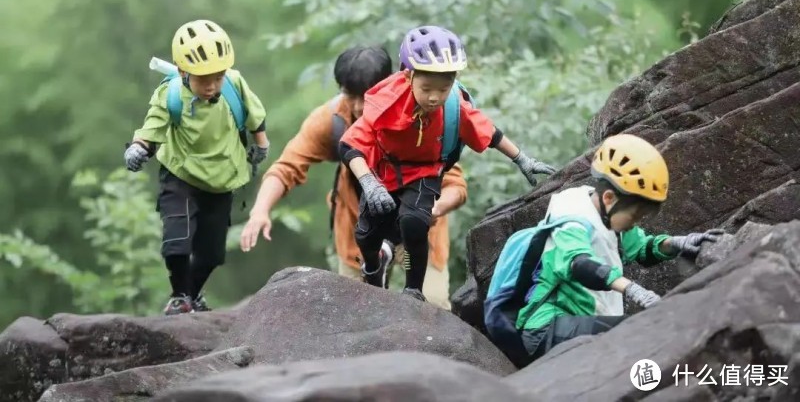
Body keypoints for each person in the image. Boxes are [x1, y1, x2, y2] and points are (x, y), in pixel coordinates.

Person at [338, 25, 557, 302]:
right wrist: (369, 183)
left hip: (424, 172)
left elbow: (490, 132)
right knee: (367, 235)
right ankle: (373, 265)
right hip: (381, 172)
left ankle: (413, 289)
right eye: (426, 88)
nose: (434, 97)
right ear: (409, 76)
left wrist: (522, 159)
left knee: (415, 222)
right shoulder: (387, 100)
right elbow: (350, 145)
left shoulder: (454, 105)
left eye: (443, 88)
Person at [240, 46, 467, 309]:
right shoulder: (333, 121)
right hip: (361, 231)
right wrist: (260, 211)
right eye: (350, 95)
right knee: (355, 312)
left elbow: (455, 185)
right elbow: (288, 166)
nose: (359, 106)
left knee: (433, 306)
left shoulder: (425, 116)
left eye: (366, 95)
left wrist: (434, 208)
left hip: (416, 231)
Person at [516, 133, 723, 363]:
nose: (636, 222)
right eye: (635, 214)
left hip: (587, 320)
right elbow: (580, 264)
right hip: (548, 327)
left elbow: (642, 249)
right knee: (639, 333)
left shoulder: (611, 216)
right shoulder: (571, 217)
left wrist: (676, 243)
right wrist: (633, 290)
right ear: (608, 198)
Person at [124, 19, 269, 315]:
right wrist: (138, 148)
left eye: (217, 77)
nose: (212, 85)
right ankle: (180, 296)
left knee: (212, 253)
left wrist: (262, 146)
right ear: (182, 71)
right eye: (204, 79)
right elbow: (153, 126)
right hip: (181, 174)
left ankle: (192, 294)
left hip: (222, 178)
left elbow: (255, 116)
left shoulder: (234, 83)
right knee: (176, 241)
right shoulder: (172, 94)